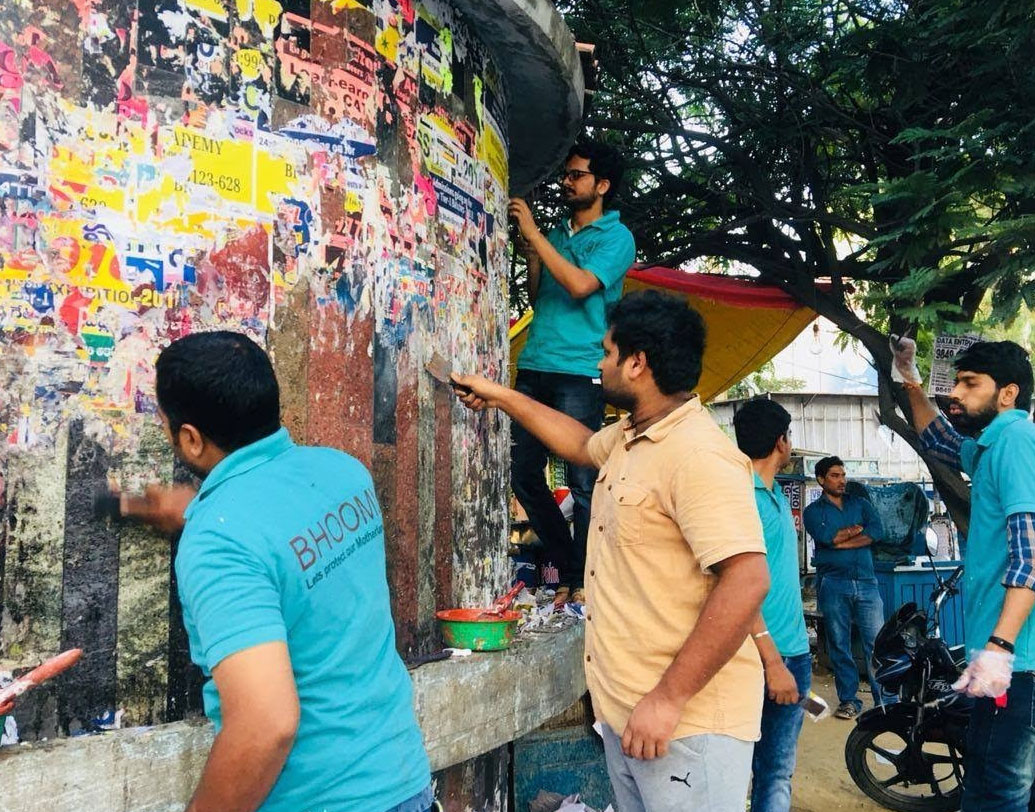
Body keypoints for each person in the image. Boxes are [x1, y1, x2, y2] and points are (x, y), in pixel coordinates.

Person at [454, 291, 769, 812]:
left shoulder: (699, 456)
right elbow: (579, 445)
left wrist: (667, 700)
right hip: (630, 712)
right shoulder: (630, 437)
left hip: (685, 724)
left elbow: (748, 580)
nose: (598, 365)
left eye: (605, 352)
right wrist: (500, 396)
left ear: (637, 363)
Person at [123, 331, 432, 812]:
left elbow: (267, 724)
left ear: (189, 438)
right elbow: (286, 539)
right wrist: (201, 511)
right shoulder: (345, 473)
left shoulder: (218, 539)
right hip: (404, 780)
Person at [899, 339, 1035, 812]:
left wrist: (1000, 647)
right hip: (1007, 658)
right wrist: (909, 377)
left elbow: (1029, 553)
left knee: (996, 793)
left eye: (970, 383)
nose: (956, 392)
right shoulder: (991, 445)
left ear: (1007, 394)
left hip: (1018, 664)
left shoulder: (1017, 442)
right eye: (957, 381)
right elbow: (937, 439)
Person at [507, 138, 636, 605]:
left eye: (576, 175)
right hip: (536, 363)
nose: (566, 181)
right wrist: (534, 252)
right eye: (565, 174)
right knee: (522, 473)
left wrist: (538, 236)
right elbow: (541, 292)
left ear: (602, 185)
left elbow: (581, 286)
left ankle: (585, 582)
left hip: (581, 371)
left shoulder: (618, 238)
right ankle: (569, 567)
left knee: (583, 483)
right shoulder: (558, 231)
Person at [733, 398, 811, 812]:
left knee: (775, 769)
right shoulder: (741, 498)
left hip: (792, 651)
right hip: (762, 656)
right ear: (782, 441)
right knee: (764, 770)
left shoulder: (776, 493)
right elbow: (736, 587)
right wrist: (772, 662)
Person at [802, 455, 886, 720]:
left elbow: (877, 531)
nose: (842, 480)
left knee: (877, 643)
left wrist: (843, 541)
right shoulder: (813, 512)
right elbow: (826, 537)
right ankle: (849, 701)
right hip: (833, 583)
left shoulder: (859, 503)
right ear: (821, 479)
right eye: (835, 476)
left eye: (843, 475)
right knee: (839, 644)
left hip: (866, 582)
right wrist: (854, 533)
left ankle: (884, 701)